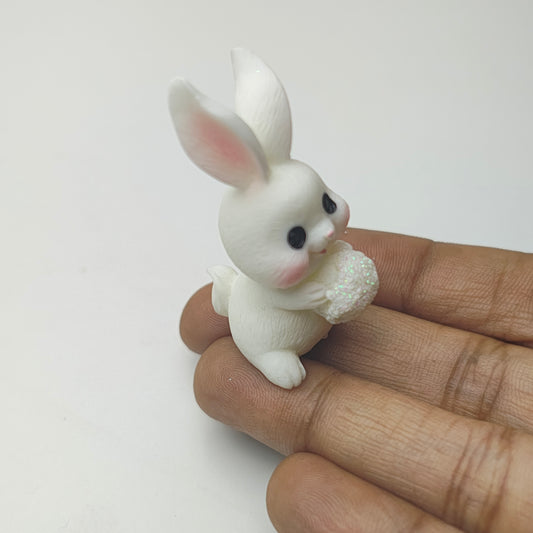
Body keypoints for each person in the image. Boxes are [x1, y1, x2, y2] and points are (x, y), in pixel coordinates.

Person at [180, 228, 533, 533]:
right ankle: (272, 359)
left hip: (317, 324)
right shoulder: (267, 284)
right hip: (266, 339)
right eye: (298, 236)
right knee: (271, 353)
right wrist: (310, 296)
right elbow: (284, 294)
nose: (326, 229)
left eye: (328, 206)